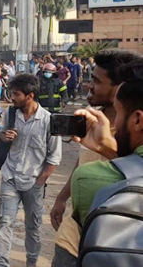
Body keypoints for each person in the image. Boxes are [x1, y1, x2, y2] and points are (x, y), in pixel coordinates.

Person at [49, 49, 140, 267]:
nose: (89, 85)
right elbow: (82, 162)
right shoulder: (91, 121)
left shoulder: (132, 134)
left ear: (118, 88)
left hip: (109, 242)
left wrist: (106, 148)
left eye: (97, 81)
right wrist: (62, 198)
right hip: (71, 240)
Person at [69, 59, 143, 251]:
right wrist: (105, 147)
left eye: (118, 113)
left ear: (137, 120)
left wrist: (107, 148)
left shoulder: (88, 179)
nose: (115, 125)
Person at [0, 73, 62, 267]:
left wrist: (39, 183)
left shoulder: (49, 121)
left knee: (33, 227)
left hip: (33, 182)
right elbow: (0, 134)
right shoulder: (10, 114)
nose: (12, 98)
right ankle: (1, 263)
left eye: (15, 94)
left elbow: (54, 158)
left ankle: (31, 263)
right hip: (10, 177)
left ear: (29, 95)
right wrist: (4, 136)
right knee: (5, 222)